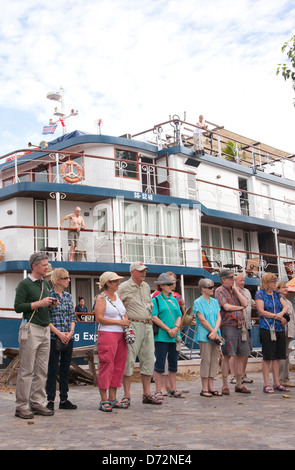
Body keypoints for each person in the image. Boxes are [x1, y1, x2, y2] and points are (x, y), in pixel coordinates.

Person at [14, 252, 56, 419]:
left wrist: (50, 305)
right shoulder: (24, 284)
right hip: (31, 328)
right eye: (44, 265)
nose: (47, 267)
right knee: (26, 369)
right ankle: (21, 405)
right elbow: (18, 307)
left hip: (45, 329)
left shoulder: (45, 283)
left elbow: (43, 306)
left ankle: (38, 402)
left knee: (41, 369)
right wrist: (40, 303)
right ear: (34, 266)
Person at [118, 261, 161, 406]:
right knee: (129, 360)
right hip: (133, 324)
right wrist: (124, 320)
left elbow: (149, 303)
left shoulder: (146, 286)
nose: (144, 273)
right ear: (132, 272)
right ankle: (126, 395)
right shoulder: (123, 286)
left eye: (145, 270)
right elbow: (115, 303)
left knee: (148, 359)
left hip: (148, 325)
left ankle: (147, 393)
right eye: (141, 270)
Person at [95, 271, 129, 412]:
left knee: (119, 366)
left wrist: (126, 323)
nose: (118, 283)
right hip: (107, 334)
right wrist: (120, 322)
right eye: (115, 281)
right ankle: (104, 399)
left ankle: (113, 398)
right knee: (107, 365)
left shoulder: (118, 296)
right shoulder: (101, 298)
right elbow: (99, 318)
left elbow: (123, 313)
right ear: (108, 283)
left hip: (121, 335)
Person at [215, 269, 251, 395]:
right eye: (230, 278)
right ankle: (225, 384)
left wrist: (236, 290)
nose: (232, 281)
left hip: (241, 325)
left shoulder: (238, 290)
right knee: (228, 355)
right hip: (228, 325)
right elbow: (226, 307)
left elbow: (246, 302)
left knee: (242, 354)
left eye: (233, 278)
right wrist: (240, 307)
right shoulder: (219, 291)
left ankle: (239, 384)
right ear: (223, 279)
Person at [46, 268, 77, 411]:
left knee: (65, 369)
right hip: (54, 337)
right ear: (58, 280)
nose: (68, 280)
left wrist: (70, 332)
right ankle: (50, 399)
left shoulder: (68, 296)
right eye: (66, 278)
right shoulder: (48, 296)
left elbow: (72, 316)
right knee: (52, 369)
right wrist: (59, 333)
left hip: (67, 336)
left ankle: (64, 399)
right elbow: (46, 318)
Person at [152, 271, 186, 395]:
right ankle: (158, 389)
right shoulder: (156, 299)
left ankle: (173, 388)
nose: (171, 286)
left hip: (174, 336)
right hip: (161, 336)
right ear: (161, 286)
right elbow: (154, 317)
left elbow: (179, 315)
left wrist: (176, 328)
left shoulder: (174, 299)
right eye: (168, 284)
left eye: (172, 284)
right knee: (160, 363)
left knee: (173, 363)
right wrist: (168, 329)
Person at [255, 273, 289, 394]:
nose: (275, 283)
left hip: (278, 328)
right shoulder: (260, 294)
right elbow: (261, 311)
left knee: (277, 357)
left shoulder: (276, 294)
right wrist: (277, 316)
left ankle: (277, 382)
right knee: (268, 357)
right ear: (267, 282)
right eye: (273, 281)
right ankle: (266, 383)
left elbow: (285, 306)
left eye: (276, 281)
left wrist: (281, 314)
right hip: (267, 328)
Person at [194, 278, 222, 397]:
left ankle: (211, 386)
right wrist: (212, 331)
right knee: (206, 360)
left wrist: (215, 331)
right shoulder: (198, 302)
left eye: (213, 287)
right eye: (210, 287)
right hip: (204, 335)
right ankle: (204, 387)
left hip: (216, 334)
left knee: (215, 359)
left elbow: (219, 317)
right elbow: (201, 319)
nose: (212, 289)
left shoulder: (215, 302)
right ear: (203, 289)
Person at [229, 274, 254, 385]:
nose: (243, 282)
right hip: (236, 325)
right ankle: (233, 375)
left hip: (247, 325)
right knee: (234, 353)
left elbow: (251, 303)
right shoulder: (232, 291)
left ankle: (243, 374)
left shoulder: (247, 291)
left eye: (244, 280)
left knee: (246, 351)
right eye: (240, 280)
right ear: (234, 281)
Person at [276, 281, 295, 387]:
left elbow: (293, 318)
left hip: (290, 331)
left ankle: (285, 379)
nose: (286, 289)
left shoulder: (289, 302)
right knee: (281, 355)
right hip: (281, 330)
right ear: (278, 289)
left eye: (286, 287)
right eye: (283, 287)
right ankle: (279, 379)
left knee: (287, 355)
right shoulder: (277, 301)